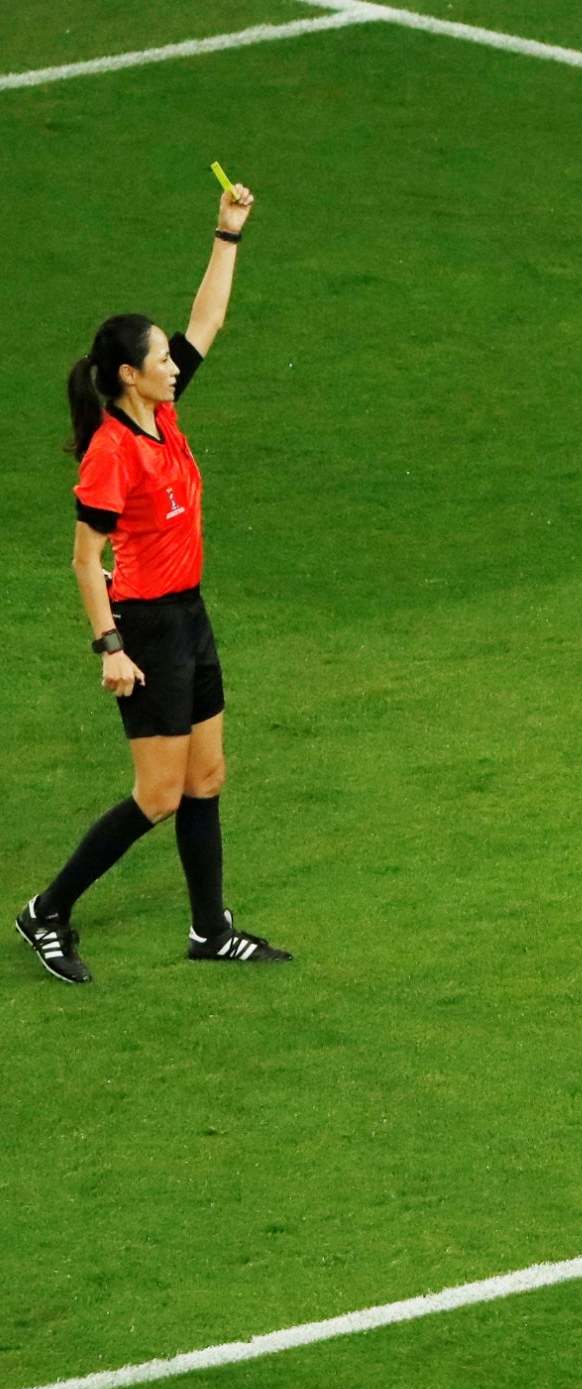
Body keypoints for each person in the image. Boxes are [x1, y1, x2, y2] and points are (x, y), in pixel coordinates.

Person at [14, 181, 290, 985]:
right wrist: (109, 646)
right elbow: (82, 556)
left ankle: (211, 930)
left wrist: (227, 234)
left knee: (207, 776)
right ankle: (47, 910)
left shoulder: (160, 415)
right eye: (162, 358)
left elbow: (206, 320)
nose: (178, 362)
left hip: (189, 616)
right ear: (132, 375)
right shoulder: (112, 451)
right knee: (159, 792)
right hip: (146, 628)